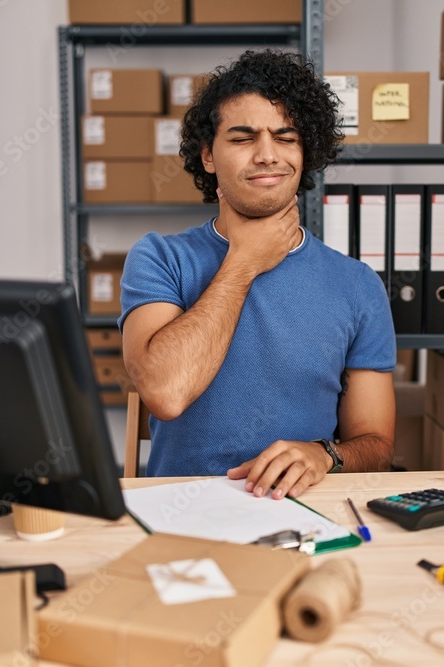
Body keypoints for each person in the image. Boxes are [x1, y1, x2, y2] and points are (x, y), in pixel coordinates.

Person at [118, 49, 396, 499]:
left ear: (306, 153)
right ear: (208, 156)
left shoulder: (357, 284)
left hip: (306, 513)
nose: (267, 155)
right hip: (182, 513)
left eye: (286, 138)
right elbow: (165, 393)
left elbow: (377, 447)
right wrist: (245, 261)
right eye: (243, 138)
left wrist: (324, 454)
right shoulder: (159, 257)